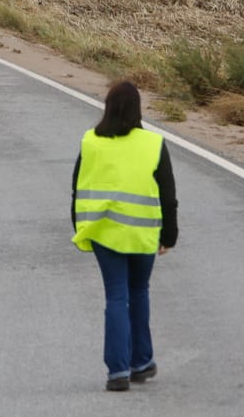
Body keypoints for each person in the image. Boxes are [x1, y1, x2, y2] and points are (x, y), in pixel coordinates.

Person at [71, 81, 178, 392]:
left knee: (116, 296)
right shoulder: (153, 144)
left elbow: (78, 187)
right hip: (143, 232)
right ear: (137, 110)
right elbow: (168, 196)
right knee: (139, 292)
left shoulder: (90, 141)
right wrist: (169, 236)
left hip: (104, 233)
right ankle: (141, 362)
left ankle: (117, 371)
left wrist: (78, 226)